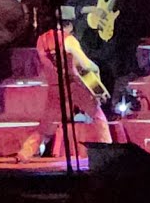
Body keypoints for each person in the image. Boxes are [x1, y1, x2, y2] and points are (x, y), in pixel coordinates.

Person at [16, 17, 112, 162]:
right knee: (98, 117)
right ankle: (107, 151)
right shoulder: (69, 40)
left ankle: (25, 153)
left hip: (55, 87)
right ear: (67, 27)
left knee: (46, 126)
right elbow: (85, 66)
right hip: (73, 86)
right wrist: (96, 72)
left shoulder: (41, 41)